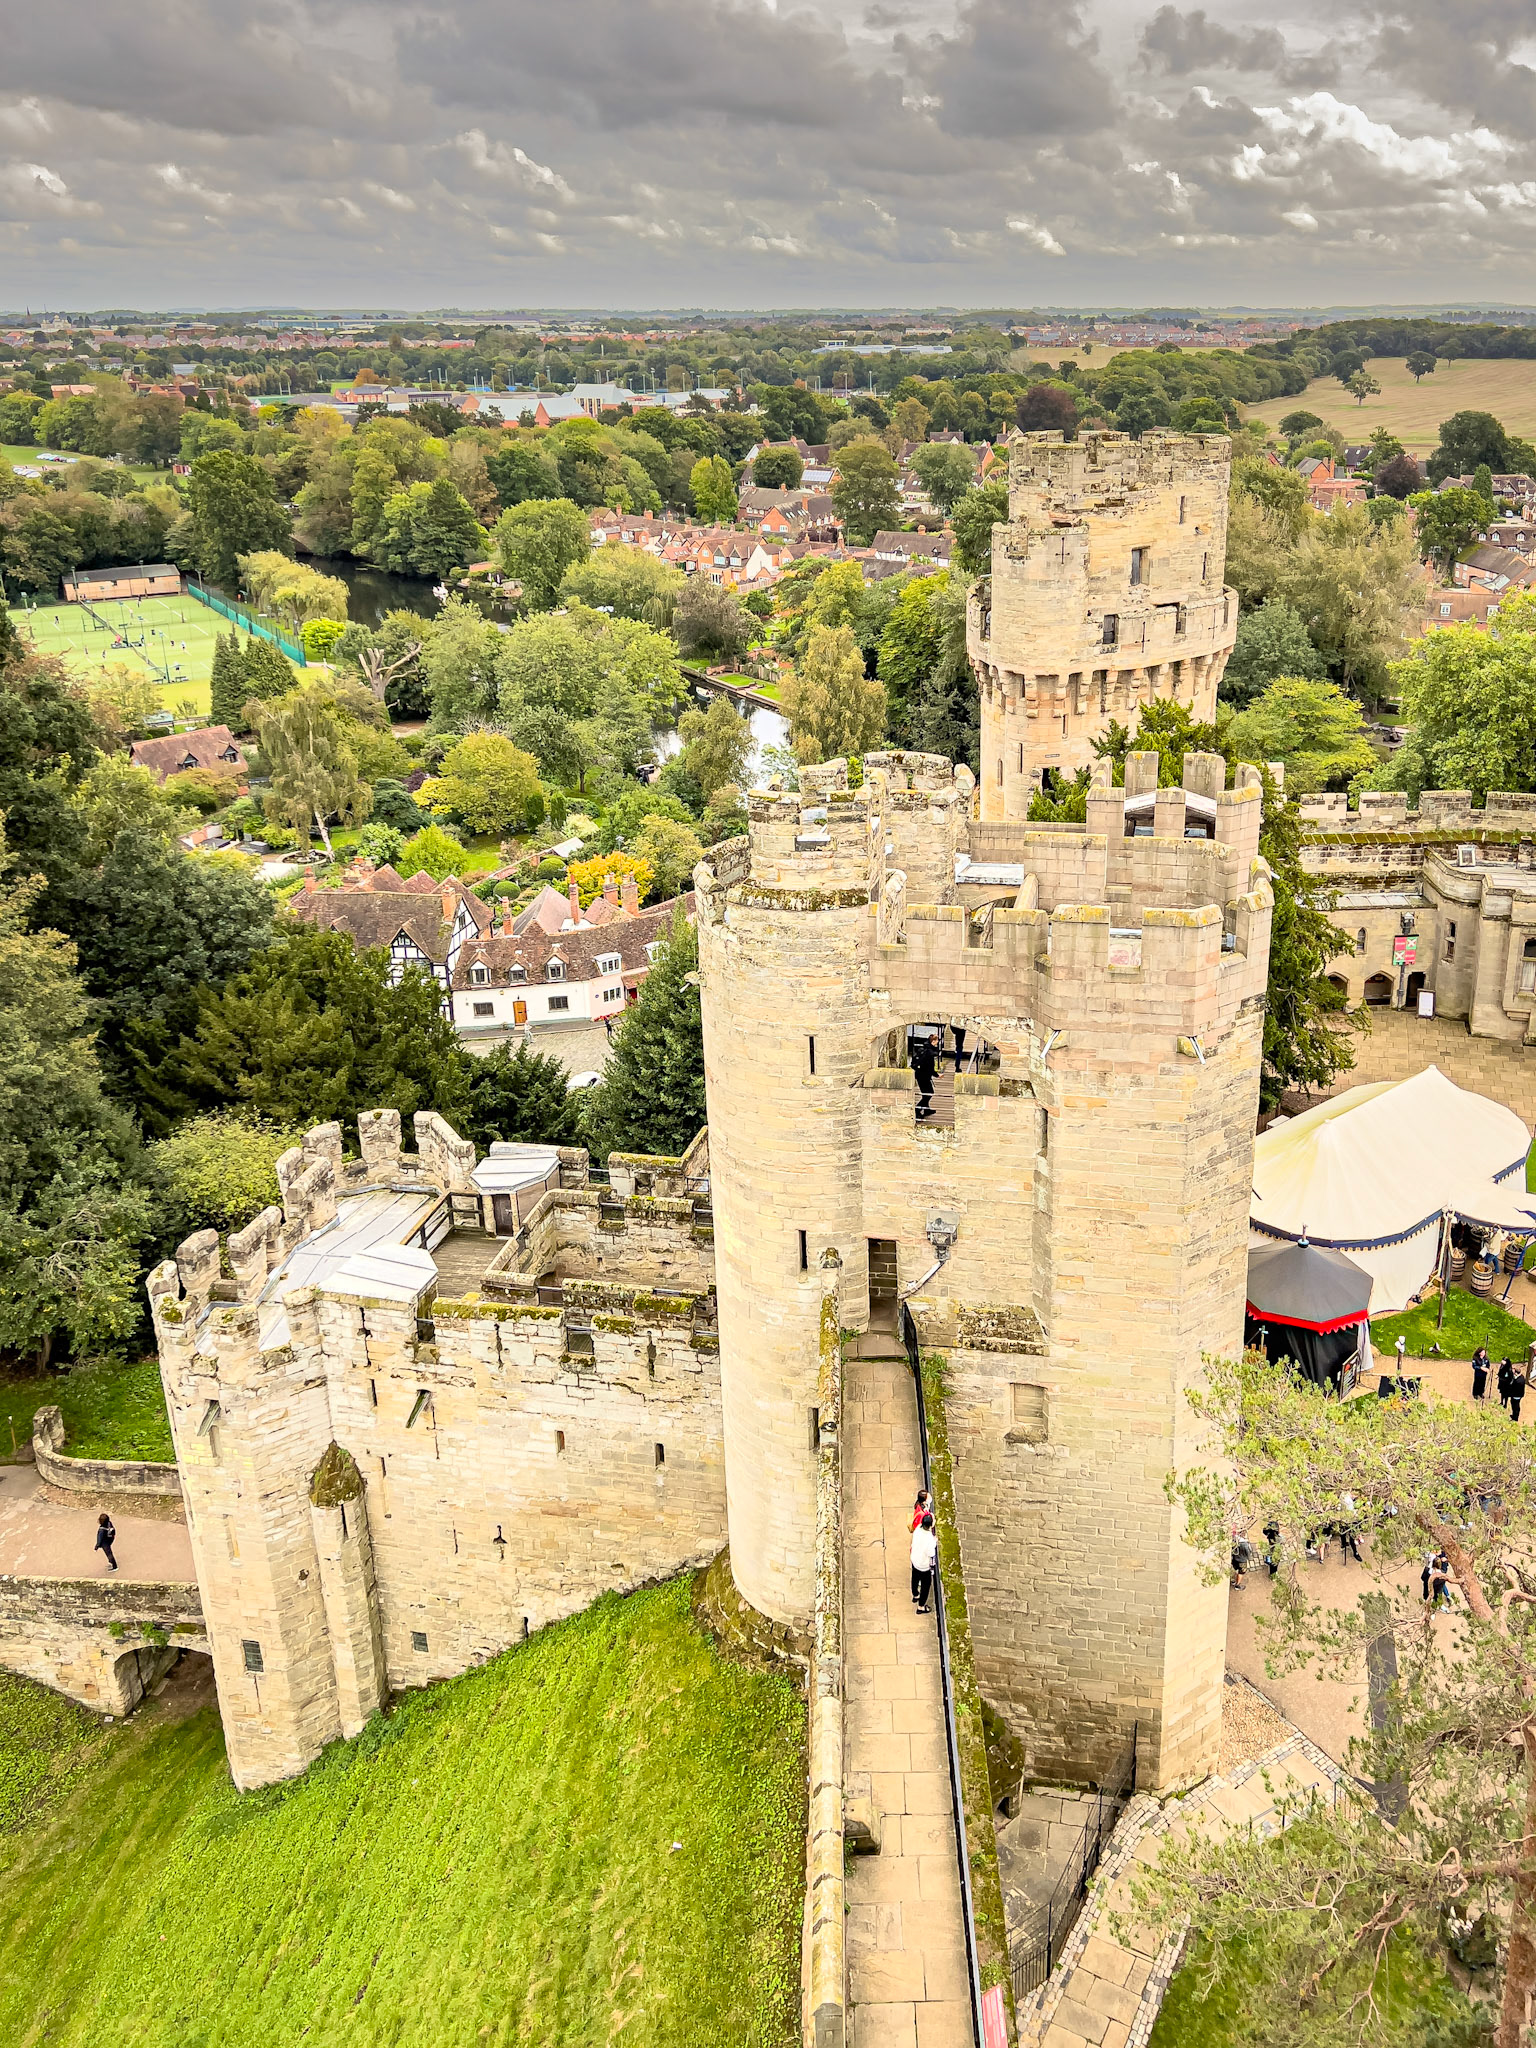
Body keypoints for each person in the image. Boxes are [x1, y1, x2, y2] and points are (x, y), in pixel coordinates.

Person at [910, 1511, 938, 1613]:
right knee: (926, 1586)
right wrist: (934, 1542)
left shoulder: (917, 1530)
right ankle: (921, 1606)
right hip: (923, 1566)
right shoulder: (929, 1539)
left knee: (914, 1578)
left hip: (915, 1560)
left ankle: (915, 1594)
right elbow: (930, 1554)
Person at [911, 1031, 939, 1123]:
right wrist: (937, 1075)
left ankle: (926, 1109)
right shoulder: (929, 1053)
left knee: (926, 1093)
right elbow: (930, 1067)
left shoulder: (923, 1048)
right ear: (933, 1042)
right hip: (924, 1076)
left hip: (919, 1075)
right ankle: (917, 1110)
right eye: (937, 1041)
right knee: (929, 1093)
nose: (937, 1043)